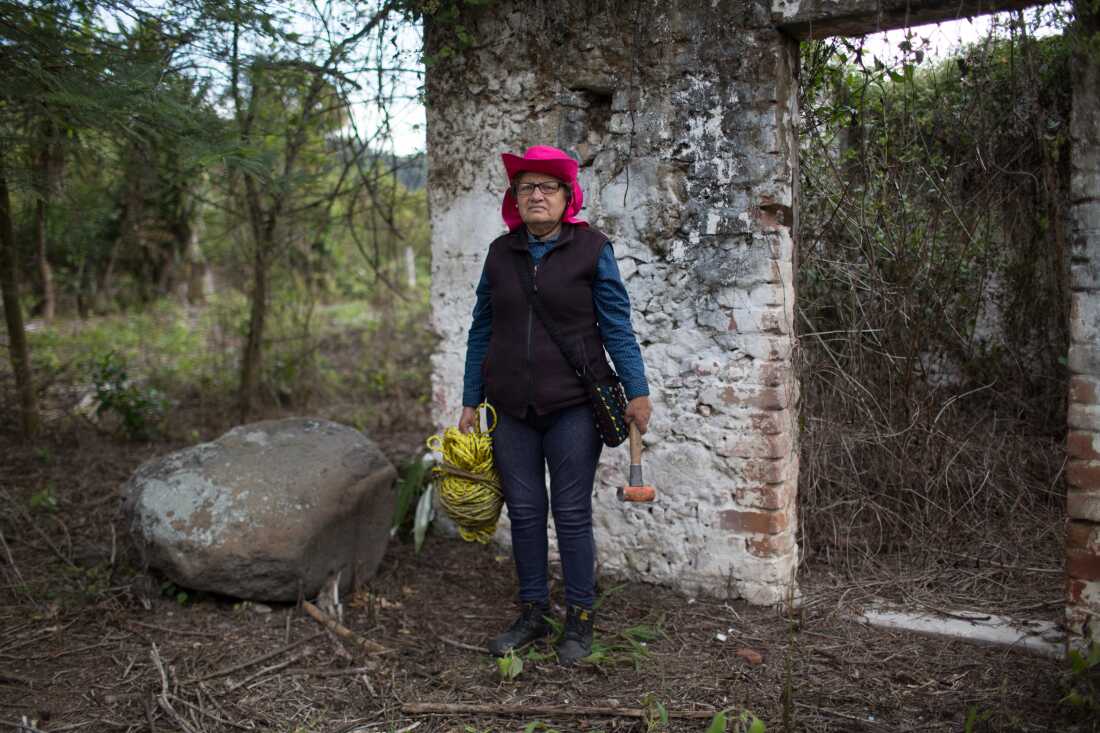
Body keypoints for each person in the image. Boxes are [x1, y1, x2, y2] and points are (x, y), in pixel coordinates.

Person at [458, 145, 652, 664]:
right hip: (510, 410)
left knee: (570, 513)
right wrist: (470, 399)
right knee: (524, 513)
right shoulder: (500, 254)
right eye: (527, 187)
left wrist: (637, 390)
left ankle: (580, 619)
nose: (536, 195)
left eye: (548, 186)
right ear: (515, 199)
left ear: (568, 196)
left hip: (573, 407)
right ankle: (533, 613)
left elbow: (616, 326)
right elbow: (481, 329)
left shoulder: (592, 249)